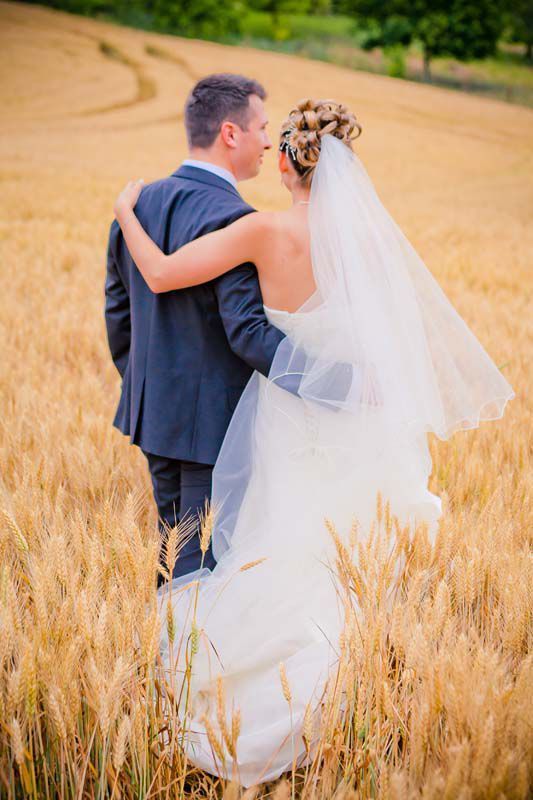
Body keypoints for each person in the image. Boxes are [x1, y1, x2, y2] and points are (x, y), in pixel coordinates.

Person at [113, 97, 515, 786]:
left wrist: (126, 210)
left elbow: (159, 273)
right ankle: (347, 698)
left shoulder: (263, 233)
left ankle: (263, 701)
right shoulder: (365, 244)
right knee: (341, 548)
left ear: (282, 162)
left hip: (283, 416)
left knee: (274, 544)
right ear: (342, 170)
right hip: (354, 417)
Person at [104, 74, 288, 585]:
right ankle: (188, 661)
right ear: (231, 133)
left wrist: (148, 383)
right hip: (216, 425)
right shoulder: (235, 218)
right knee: (205, 564)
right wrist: (326, 379)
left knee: (174, 549)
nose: (268, 141)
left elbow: (119, 314)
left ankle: (165, 656)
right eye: (262, 127)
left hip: (153, 412)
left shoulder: (134, 206)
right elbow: (247, 333)